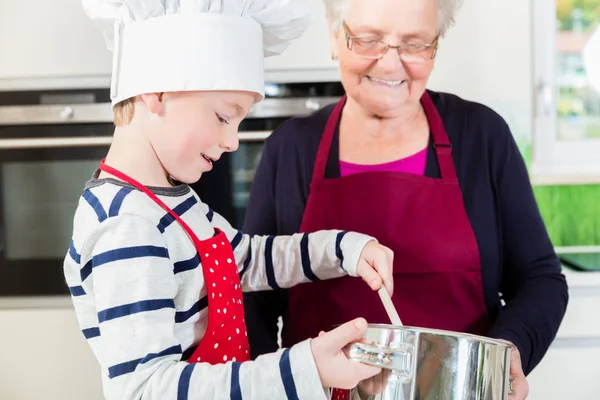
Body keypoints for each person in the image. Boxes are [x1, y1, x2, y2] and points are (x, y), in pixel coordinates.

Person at [63, 1, 396, 399]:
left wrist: (345, 250)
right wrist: (301, 371)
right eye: (224, 116)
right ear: (156, 91)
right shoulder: (127, 226)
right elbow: (145, 388)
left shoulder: (172, 201)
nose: (232, 141)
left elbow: (250, 260)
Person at [242, 0, 570, 399]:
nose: (390, 64)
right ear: (333, 36)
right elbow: (253, 301)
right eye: (368, 40)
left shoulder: (482, 137)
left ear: (437, 44)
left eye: (414, 44)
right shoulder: (290, 150)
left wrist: (508, 354)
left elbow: (540, 279)